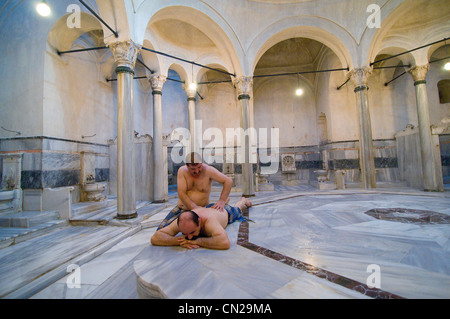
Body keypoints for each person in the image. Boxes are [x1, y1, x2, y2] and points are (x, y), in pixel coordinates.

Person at [156, 152, 233, 230]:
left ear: (201, 163)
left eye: (199, 167)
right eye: (193, 169)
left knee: (197, 232)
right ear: (187, 166)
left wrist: (222, 200)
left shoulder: (208, 170)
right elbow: (182, 193)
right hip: (182, 209)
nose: (197, 171)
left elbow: (228, 181)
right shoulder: (182, 171)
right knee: (161, 230)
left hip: (201, 210)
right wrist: (194, 207)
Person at [151, 197, 252, 250]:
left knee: (238, 208)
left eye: (192, 232)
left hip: (227, 212)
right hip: (208, 208)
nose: (189, 238)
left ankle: (243, 201)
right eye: (185, 233)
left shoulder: (209, 221)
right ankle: (225, 201)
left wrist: (198, 241)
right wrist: (179, 241)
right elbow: (155, 237)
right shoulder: (184, 221)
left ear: (199, 221)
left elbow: (224, 242)